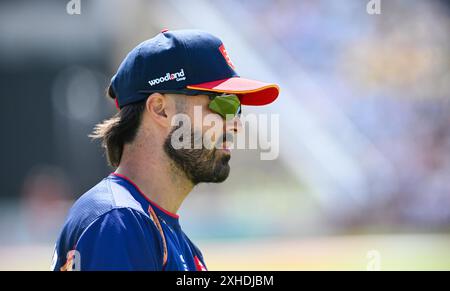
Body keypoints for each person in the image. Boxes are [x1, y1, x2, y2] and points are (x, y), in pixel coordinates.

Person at [52, 29, 279, 271]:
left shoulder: (164, 235)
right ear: (160, 109)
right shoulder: (117, 222)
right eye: (224, 103)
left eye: (238, 110)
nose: (235, 125)